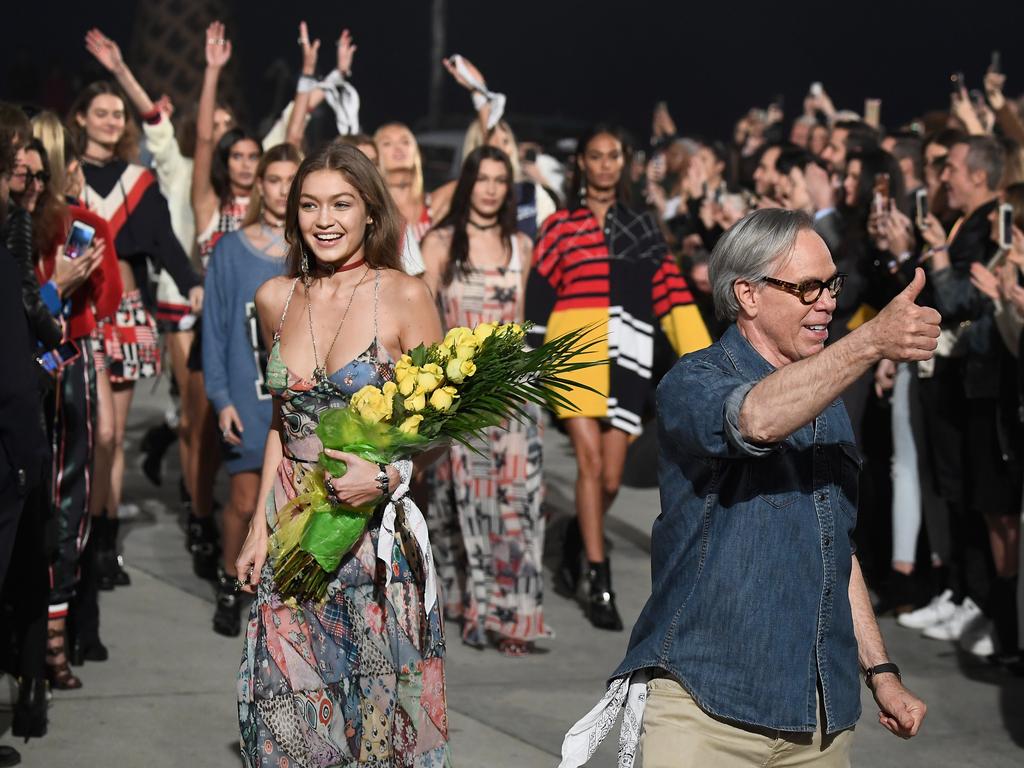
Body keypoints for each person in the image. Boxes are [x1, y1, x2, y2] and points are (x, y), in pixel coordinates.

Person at [560, 209, 933, 767]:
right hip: (703, 708)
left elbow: (835, 544)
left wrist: (881, 673)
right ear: (748, 295)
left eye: (832, 284)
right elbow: (755, 420)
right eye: (808, 287)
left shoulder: (826, 399)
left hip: (819, 719)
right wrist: (869, 342)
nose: (827, 301)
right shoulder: (693, 380)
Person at [234, 143, 449, 765]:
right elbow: (282, 421)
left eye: (340, 204)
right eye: (309, 205)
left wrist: (387, 476)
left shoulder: (405, 295)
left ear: (370, 214)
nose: (324, 220)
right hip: (294, 531)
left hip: (375, 541)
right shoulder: (274, 297)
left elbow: (442, 427)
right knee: (286, 714)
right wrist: (256, 527)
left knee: (376, 723)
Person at [526, 125, 711, 631]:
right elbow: (539, 295)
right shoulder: (560, 226)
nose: (605, 164)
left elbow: (672, 293)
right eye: (595, 155)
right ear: (582, 162)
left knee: (609, 475)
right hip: (573, 347)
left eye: (614, 155)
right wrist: (533, 356)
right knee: (588, 463)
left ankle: (572, 539)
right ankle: (598, 577)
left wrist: (707, 359)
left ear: (624, 162)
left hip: (628, 351)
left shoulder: (643, 226)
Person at [68, 80, 202, 591]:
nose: (110, 121)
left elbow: (165, 243)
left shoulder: (139, 180)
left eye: (117, 115)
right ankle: (71, 537)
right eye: (100, 112)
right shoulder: (66, 177)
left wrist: (190, 284)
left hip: (122, 315)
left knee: (110, 437)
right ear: (79, 117)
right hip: (72, 314)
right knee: (80, 434)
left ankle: (102, 543)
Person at [421, 145, 548, 655]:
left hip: (516, 395)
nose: (492, 188)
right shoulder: (440, 243)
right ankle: (469, 605)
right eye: (483, 178)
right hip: (460, 394)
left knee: (517, 505)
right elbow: (424, 316)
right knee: (466, 505)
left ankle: (514, 618)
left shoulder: (523, 246)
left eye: (502, 179)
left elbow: (528, 321)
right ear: (466, 183)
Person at [201, 143, 300, 636]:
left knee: (294, 503)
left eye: (292, 179)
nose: (283, 188)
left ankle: (280, 590)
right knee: (244, 501)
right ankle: (228, 581)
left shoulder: (313, 249)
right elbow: (215, 330)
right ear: (260, 186)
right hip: (247, 395)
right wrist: (220, 399)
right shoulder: (231, 250)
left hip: (298, 402)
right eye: (275, 179)